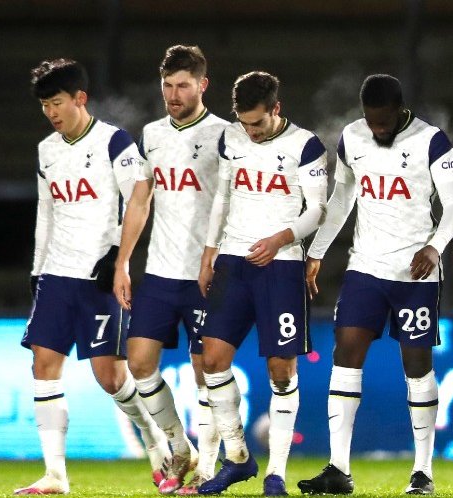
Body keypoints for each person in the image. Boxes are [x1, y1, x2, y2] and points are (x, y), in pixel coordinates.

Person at [297, 74, 453, 496]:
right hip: (365, 268)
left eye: (385, 122)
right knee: (345, 350)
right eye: (372, 121)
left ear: (400, 109)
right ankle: (338, 468)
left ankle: (422, 471)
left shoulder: (432, 141)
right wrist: (316, 250)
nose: (378, 129)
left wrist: (435, 248)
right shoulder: (352, 137)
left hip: (415, 273)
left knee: (416, 365)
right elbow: (341, 199)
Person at [18, 58, 170, 495]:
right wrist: (36, 270)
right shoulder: (47, 150)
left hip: (98, 278)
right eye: (45, 105)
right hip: (56, 275)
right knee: (43, 367)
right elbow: (46, 213)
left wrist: (119, 258)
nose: (51, 112)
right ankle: (55, 475)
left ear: (79, 99)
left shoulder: (113, 142)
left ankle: (157, 442)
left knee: (111, 378)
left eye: (57, 102)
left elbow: (140, 197)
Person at [195, 71, 328, 496]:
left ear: (276, 109)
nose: (249, 132)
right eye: (243, 122)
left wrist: (281, 239)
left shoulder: (305, 145)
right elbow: (223, 196)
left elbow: (318, 209)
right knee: (213, 360)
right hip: (234, 261)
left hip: (282, 265)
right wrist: (209, 249)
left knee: (281, 371)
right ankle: (237, 458)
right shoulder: (230, 139)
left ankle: (276, 473)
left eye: (257, 123)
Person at [112, 45, 226, 495]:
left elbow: (234, 200)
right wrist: (123, 262)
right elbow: (141, 199)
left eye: (182, 85)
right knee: (139, 363)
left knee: (206, 371)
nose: (174, 95)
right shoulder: (152, 134)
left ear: (203, 85)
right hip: (159, 270)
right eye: (167, 86)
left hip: (205, 272)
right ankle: (180, 447)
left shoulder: (224, 135)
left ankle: (209, 465)